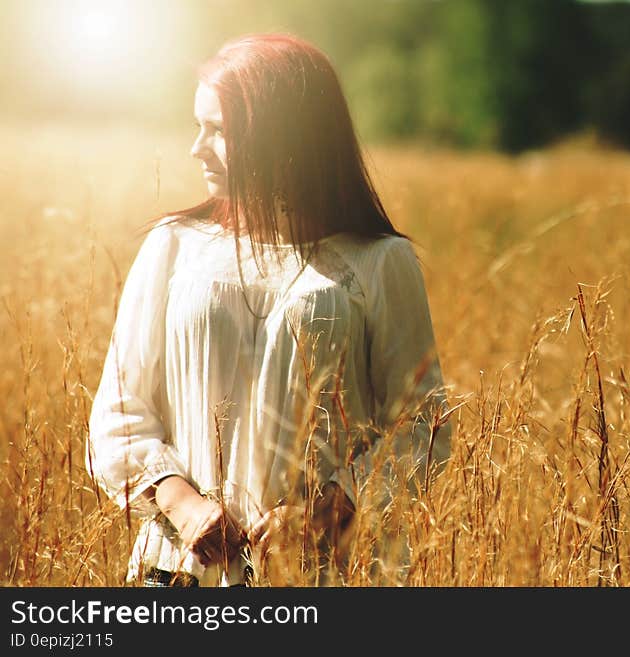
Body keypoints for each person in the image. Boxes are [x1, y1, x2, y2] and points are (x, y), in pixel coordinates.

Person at [86, 33, 454, 587]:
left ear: (283, 138)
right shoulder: (174, 246)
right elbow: (119, 406)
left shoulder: (380, 262)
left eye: (219, 131)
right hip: (179, 576)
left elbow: (423, 425)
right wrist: (182, 503)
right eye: (197, 126)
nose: (197, 148)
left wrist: (329, 511)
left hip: (320, 577)